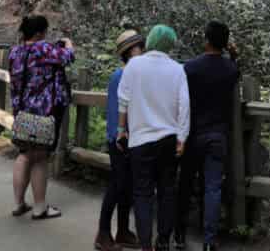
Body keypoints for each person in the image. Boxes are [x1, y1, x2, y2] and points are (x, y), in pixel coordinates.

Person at [117, 24, 190, 251]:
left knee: (142, 194)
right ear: (170, 44)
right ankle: (163, 240)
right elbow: (184, 107)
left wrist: (121, 130)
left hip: (140, 140)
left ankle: (146, 244)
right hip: (168, 140)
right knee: (167, 191)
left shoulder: (134, 66)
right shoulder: (178, 69)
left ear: (149, 41)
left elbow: (123, 100)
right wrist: (182, 137)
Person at [174, 21, 239, 251]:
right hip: (218, 135)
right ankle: (209, 241)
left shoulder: (190, 67)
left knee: (185, 184)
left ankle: (179, 235)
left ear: (206, 40)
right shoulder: (230, 69)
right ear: (224, 43)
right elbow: (236, 71)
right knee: (212, 188)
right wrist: (233, 55)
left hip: (192, 134)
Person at [8, 14, 75, 221]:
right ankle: (39, 208)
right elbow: (68, 58)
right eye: (45, 32)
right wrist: (68, 44)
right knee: (40, 158)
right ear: (39, 33)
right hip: (44, 113)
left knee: (24, 154)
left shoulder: (15, 52)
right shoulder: (43, 48)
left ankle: (19, 203)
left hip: (22, 111)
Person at [94, 29, 144, 251]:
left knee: (128, 187)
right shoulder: (120, 76)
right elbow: (116, 111)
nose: (142, 51)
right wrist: (119, 136)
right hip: (120, 139)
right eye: (139, 47)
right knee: (116, 186)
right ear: (131, 51)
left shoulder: (134, 74)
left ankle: (123, 231)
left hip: (134, 138)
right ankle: (103, 234)